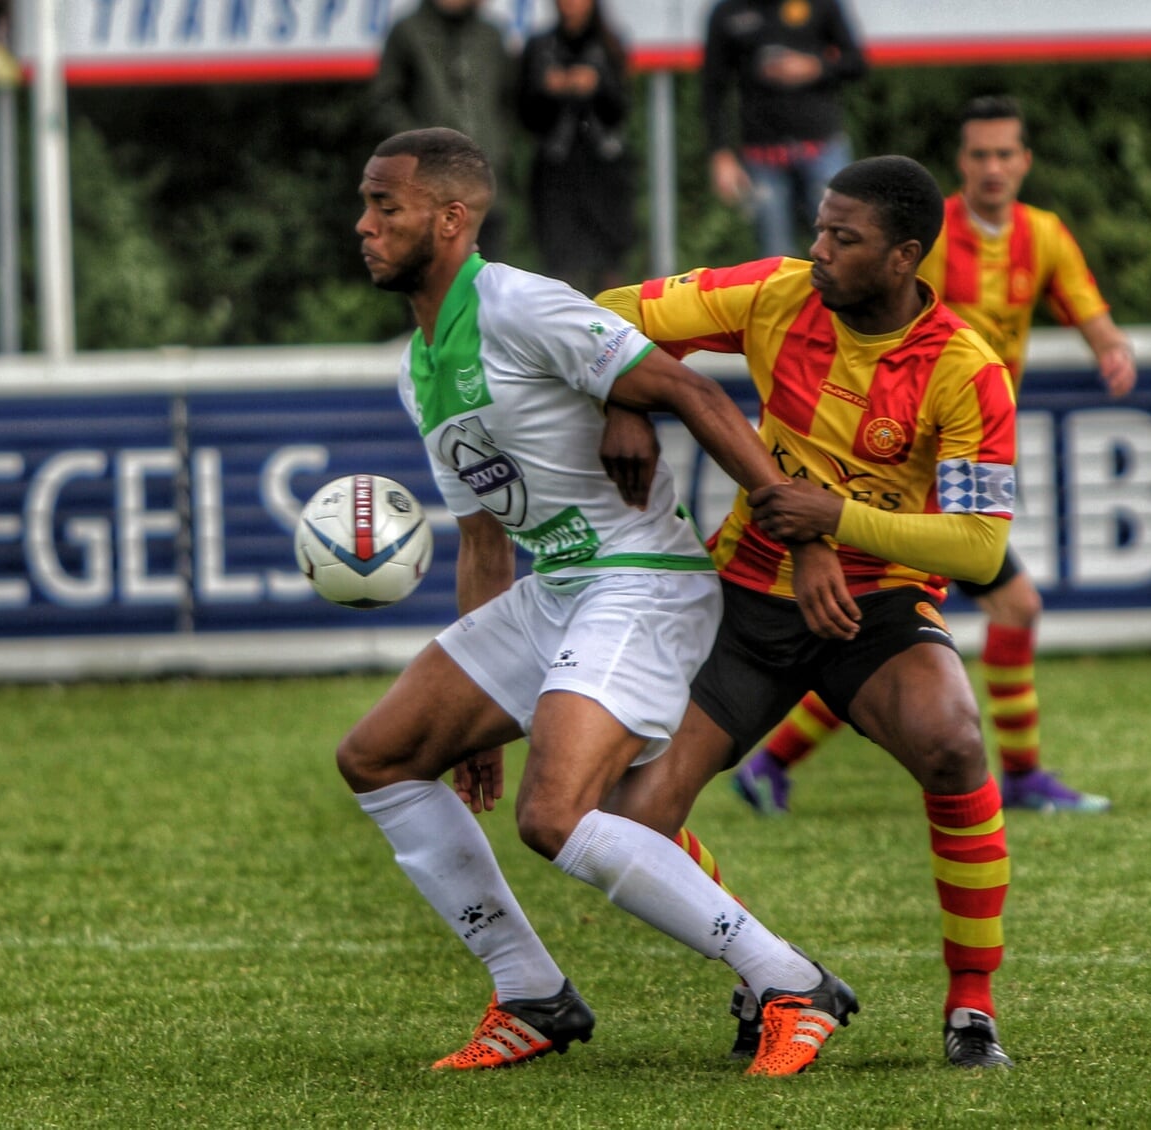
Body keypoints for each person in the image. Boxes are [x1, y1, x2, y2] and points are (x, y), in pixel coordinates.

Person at [340, 127, 857, 1077]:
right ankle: (532, 994)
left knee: (557, 815)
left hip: (642, 583)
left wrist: (807, 537)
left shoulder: (518, 303)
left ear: (451, 219)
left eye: (386, 205)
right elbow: (486, 542)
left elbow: (694, 394)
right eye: (367, 205)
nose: (364, 225)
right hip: (557, 592)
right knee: (378, 757)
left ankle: (790, 981)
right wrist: (481, 720)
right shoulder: (416, 366)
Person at [594, 155, 1021, 1069]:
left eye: (843, 237)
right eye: (819, 228)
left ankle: (971, 1008)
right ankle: (771, 973)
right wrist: (622, 399)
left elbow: (982, 548)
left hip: (877, 605)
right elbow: (600, 316)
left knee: (953, 741)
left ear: (903, 257)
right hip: (744, 600)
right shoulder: (776, 295)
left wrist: (837, 519)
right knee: (626, 819)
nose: (816, 250)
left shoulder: (964, 369)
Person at [733, 95, 1135, 816]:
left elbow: (1088, 309)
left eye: (1005, 154)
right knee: (997, 606)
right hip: (905, 467)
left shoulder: (1043, 236)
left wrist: (1111, 350)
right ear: (962, 162)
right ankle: (1020, 774)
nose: (992, 168)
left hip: (971, 453)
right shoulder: (920, 237)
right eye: (979, 154)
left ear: (1025, 161)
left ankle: (775, 762)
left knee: (888, 629)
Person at [701, 0, 866, 258]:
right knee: (775, 260)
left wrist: (815, 67)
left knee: (839, 252)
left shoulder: (822, 4)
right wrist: (721, 153)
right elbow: (713, 88)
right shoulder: (728, 11)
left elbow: (857, 63)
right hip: (762, 155)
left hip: (822, 148)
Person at [370, 0, 516, 260]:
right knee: (431, 282)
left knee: (489, 282)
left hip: (486, 181)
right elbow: (385, 100)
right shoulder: (408, 32)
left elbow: (508, 101)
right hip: (427, 187)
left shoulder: (490, 35)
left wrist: (499, 147)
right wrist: (420, 148)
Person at [518, 0, 635, 294]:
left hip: (604, 168)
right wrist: (549, 90)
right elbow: (525, 115)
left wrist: (598, 84)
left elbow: (621, 110)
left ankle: (615, 332)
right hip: (556, 171)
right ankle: (566, 332)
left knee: (611, 262)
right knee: (560, 265)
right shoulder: (540, 46)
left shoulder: (609, 44)